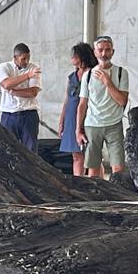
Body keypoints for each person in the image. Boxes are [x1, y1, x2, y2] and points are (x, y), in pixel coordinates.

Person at [75, 35, 130, 179]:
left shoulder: (120, 73)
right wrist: (78, 130)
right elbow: (82, 104)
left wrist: (108, 82)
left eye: (107, 50)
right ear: (95, 52)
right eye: (101, 50)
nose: (104, 53)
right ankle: (96, 199)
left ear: (113, 51)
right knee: (93, 168)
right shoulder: (87, 75)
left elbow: (122, 101)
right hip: (92, 125)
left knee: (118, 168)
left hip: (114, 124)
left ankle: (117, 197)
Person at [0, 42, 42, 152]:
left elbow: (33, 92)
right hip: (9, 115)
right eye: (23, 59)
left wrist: (13, 92)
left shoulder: (33, 68)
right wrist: (27, 76)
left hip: (28, 114)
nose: (26, 62)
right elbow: (6, 84)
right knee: (7, 150)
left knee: (30, 151)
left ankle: (31, 170)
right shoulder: (4, 67)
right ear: (15, 58)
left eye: (28, 58)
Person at [59, 42, 94, 175]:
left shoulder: (92, 73)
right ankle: (78, 182)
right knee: (76, 154)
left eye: (75, 55)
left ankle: (96, 183)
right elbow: (67, 100)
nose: (72, 58)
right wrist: (62, 121)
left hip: (88, 116)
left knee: (92, 157)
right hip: (71, 117)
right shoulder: (72, 77)